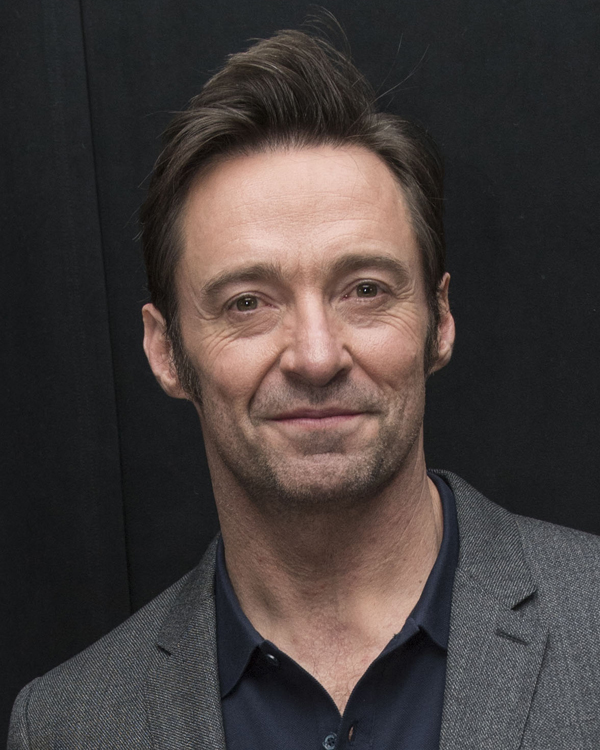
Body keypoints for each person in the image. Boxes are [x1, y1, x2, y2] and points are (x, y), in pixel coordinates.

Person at [8, 26, 600, 750]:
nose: (316, 357)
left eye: (365, 289)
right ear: (166, 351)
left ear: (440, 320)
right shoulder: (66, 726)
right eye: (247, 303)